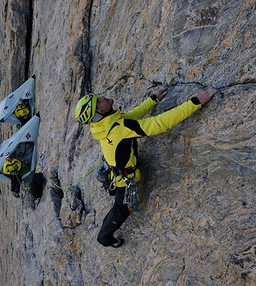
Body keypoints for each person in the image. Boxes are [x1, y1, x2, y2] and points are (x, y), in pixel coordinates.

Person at [75, 86, 218, 247]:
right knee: (121, 210)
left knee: (121, 205)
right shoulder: (117, 129)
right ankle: (104, 236)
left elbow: (132, 117)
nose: (102, 98)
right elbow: (158, 124)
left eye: (98, 97)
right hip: (125, 179)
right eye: (98, 102)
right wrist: (195, 102)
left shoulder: (107, 124)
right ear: (97, 114)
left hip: (121, 169)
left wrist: (152, 100)